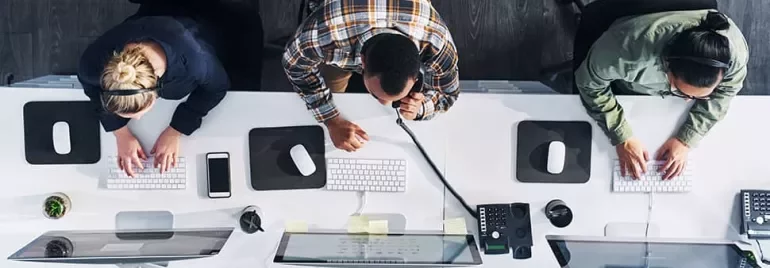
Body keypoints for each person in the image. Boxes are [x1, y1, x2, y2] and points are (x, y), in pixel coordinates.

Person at [576, 10, 748, 180]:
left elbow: (726, 91)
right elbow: (590, 84)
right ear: (667, 65)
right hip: (627, 83)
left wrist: (686, 139)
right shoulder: (625, 52)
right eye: (681, 91)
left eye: (700, 96)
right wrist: (622, 136)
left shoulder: (735, 54)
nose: (687, 100)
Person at [78, 0, 233, 177]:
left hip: (206, 19)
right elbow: (90, 87)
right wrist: (120, 133)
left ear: (156, 88)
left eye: (141, 112)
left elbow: (217, 87)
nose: (139, 118)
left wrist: (176, 130)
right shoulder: (92, 63)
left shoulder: (194, 62)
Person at [282, 0, 460, 152]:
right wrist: (331, 120)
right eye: (376, 95)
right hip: (343, 29)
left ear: (417, 75)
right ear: (363, 62)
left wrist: (422, 107)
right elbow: (294, 64)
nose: (385, 105)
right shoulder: (324, 33)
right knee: (333, 88)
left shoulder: (437, 42)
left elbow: (448, 93)